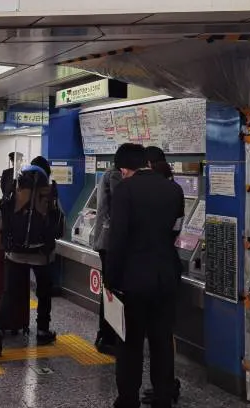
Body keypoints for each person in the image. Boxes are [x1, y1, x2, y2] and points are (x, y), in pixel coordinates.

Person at [105, 144, 184, 408]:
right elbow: (176, 230)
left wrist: (110, 279)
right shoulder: (174, 190)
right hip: (166, 276)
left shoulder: (124, 191)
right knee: (162, 341)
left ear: (124, 169)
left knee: (130, 343)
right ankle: (163, 397)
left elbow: (117, 239)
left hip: (133, 280)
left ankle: (128, 399)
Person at [0, 156, 65, 357]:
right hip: (42, 255)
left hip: (15, 254)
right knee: (44, 293)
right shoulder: (49, 194)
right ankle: (42, 330)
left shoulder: (16, 191)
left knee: (9, 293)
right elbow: (59, 227)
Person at [142, 146, 184, 405]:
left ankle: (163, 388)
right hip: (169, 265)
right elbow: (177, 227)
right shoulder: (176, 190)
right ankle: (165, 386)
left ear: (147, 164)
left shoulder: (140, 192)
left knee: (154, 334)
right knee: (164, 334)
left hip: (147, 270)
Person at [91, 163, 122, 355]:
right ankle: (107, 337)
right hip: (110, 242)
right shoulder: (115, 175)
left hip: (105, 240)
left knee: (109, 288)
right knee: (111, 290)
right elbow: (120, 206)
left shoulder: (108, 173)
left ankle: (105, 335)